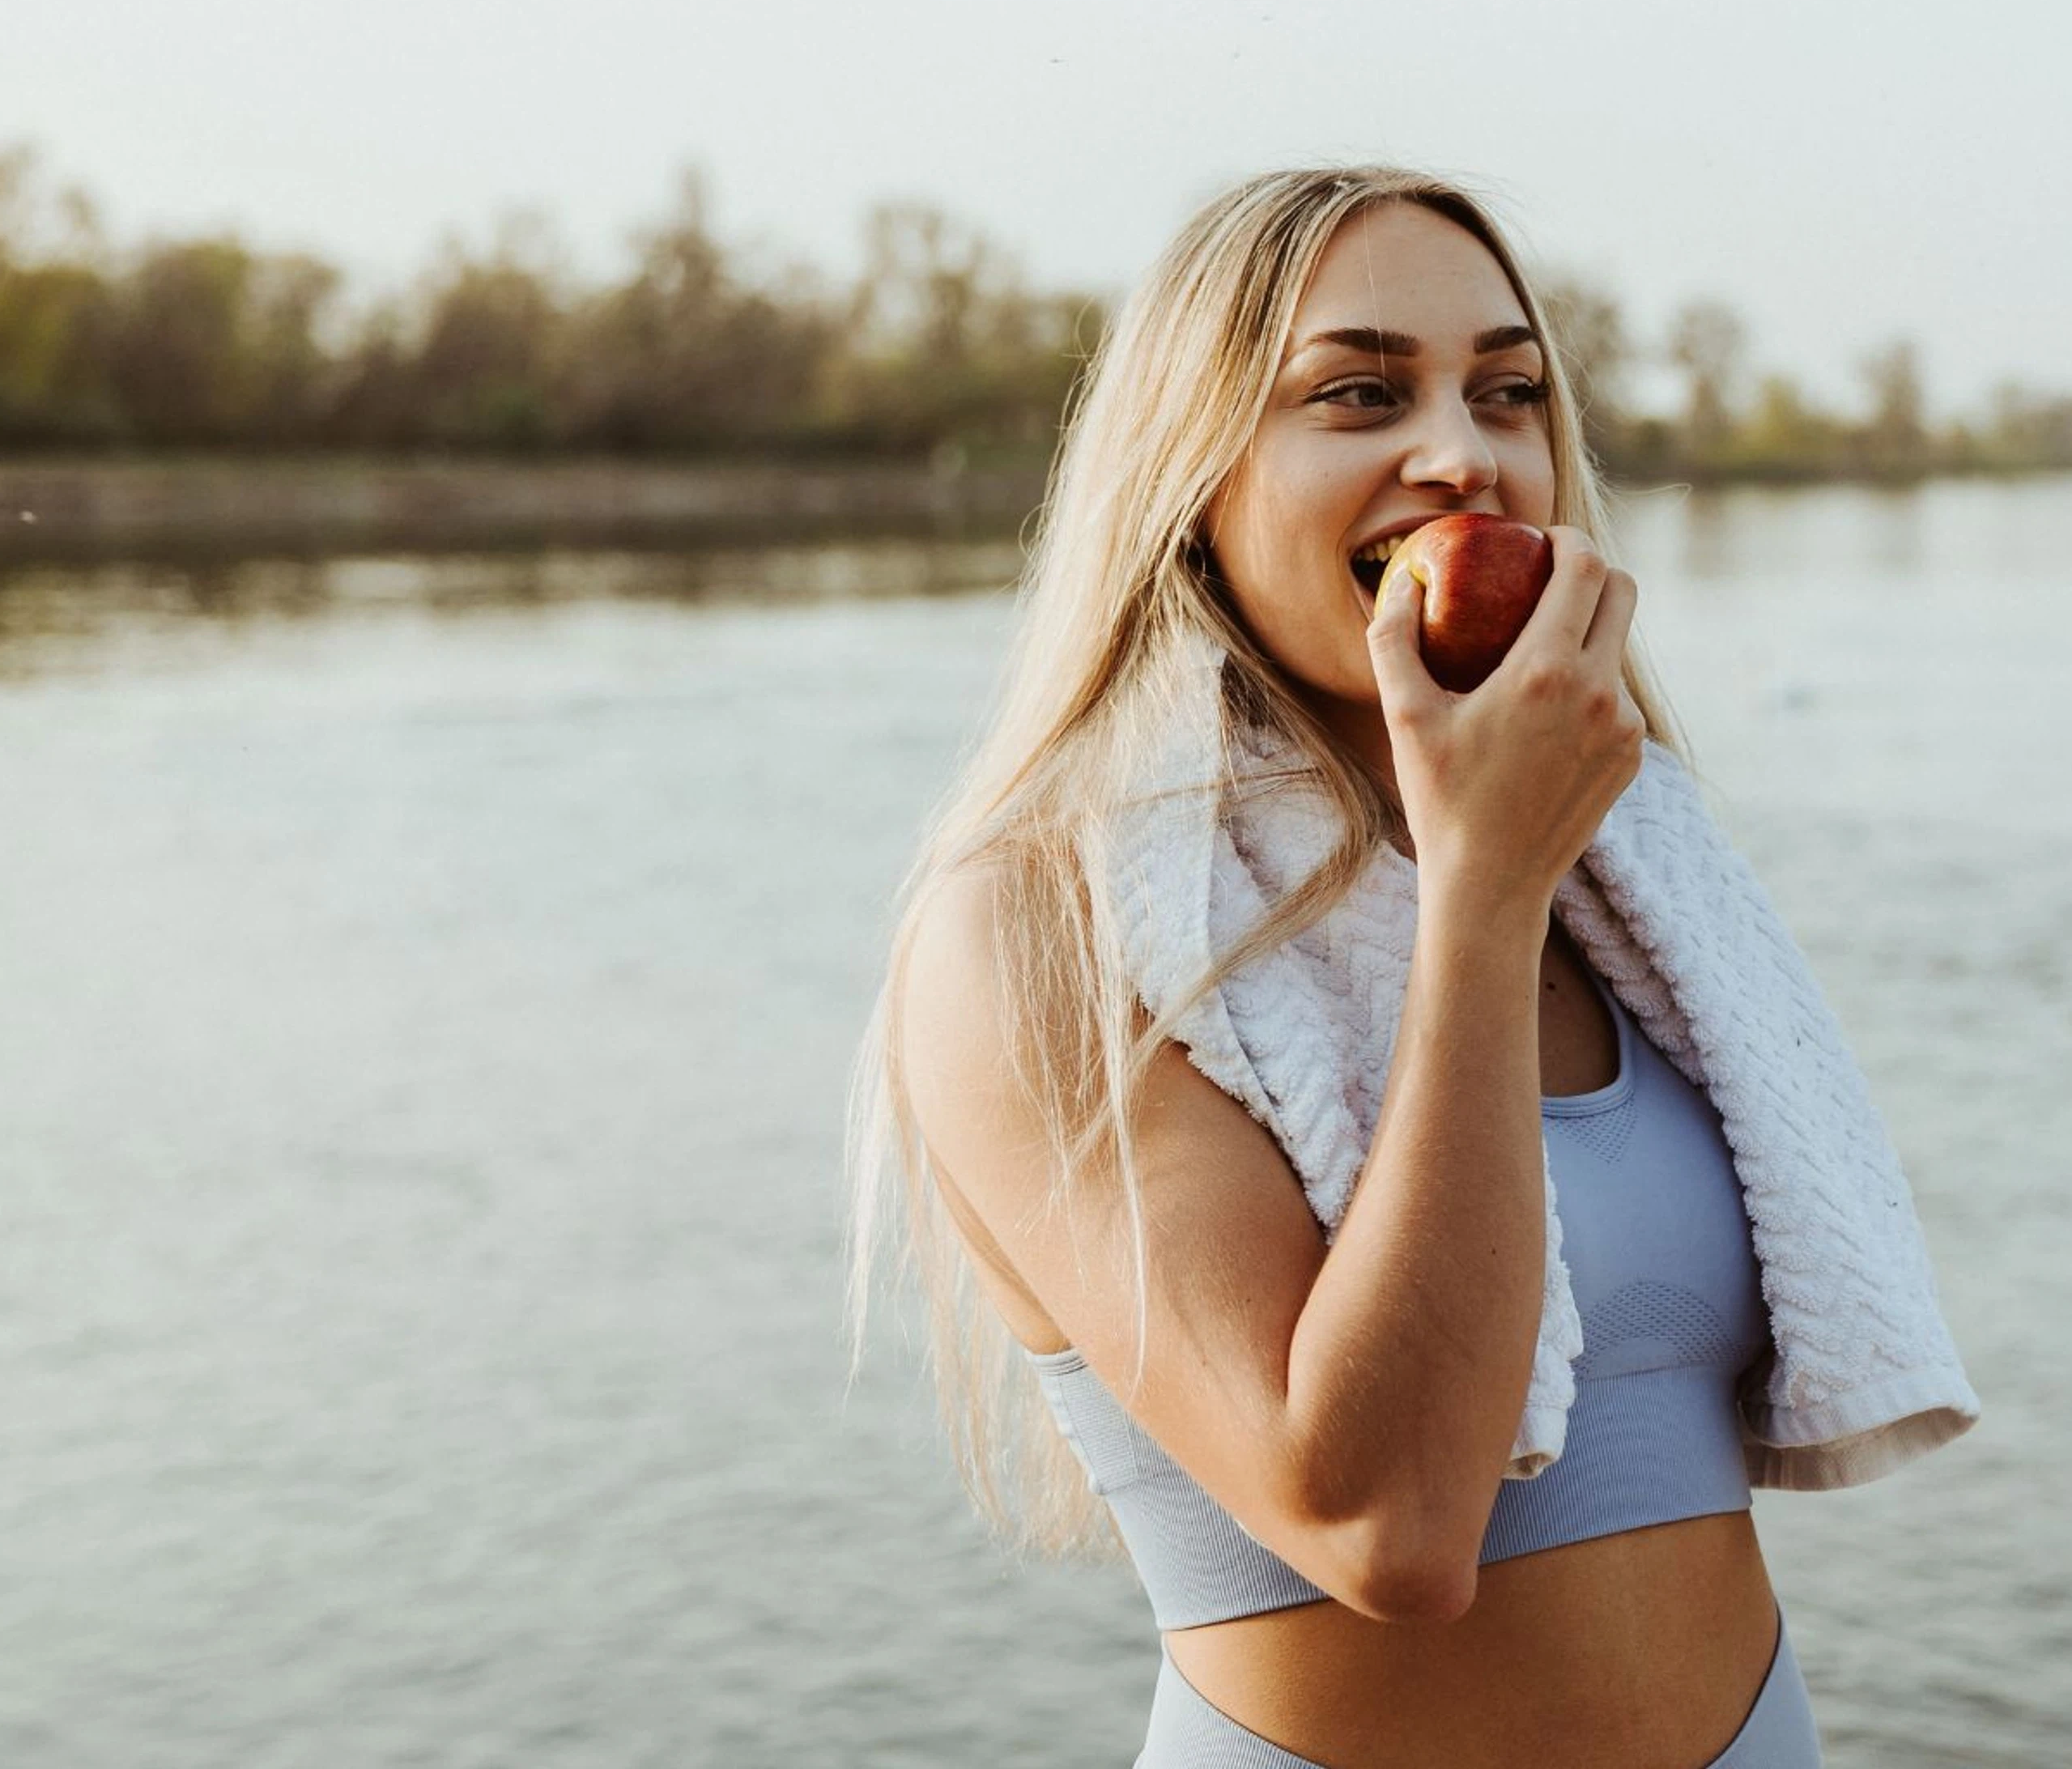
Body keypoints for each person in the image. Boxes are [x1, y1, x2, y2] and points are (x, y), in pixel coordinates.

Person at [845, 165, 1975, 1768]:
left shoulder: (1628, 877)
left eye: (1507, 393)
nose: (1462, 455)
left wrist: (1511, 865)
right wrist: (1481, 894)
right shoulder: (1036, 929)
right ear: (1192, 471)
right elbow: (1384, 1523)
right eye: (1360, 393)